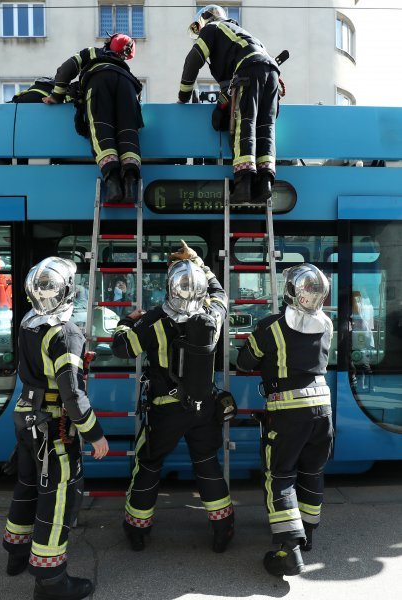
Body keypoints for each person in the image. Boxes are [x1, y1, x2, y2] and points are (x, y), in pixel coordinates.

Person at [112, 241, 235, 553]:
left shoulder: (153, 320)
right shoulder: (212, 316)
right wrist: (200, 264)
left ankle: (137, 530)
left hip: (165, 411)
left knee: (149, 464)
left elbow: (121, 348)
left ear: (169, 287)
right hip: (204, 408)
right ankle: (223, 530)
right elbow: (220, 293)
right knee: (207, 464)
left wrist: (126, 322)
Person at [3, 257, 109, 600]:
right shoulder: (66, 334)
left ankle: (16, 553)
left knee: (27, 485)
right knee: (57, 498)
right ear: (69, 292)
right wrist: (95, 435)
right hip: (53, 428)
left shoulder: (27, 323)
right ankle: (51, 582)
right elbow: (73, 395)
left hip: (25, 419)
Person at [236, 263, 334, 576]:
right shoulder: (327, 324)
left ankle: (287, 549)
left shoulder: (269, 327)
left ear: (291, 290)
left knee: (279, 475)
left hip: (288, 412)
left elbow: (243, 361)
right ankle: (307, 533)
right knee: (312, 470)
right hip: (324, 412)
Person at [178, 5, 280, 206]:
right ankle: (264, 184)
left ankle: (243, 185)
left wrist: (183, 95)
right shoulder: (243, 36)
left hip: (249, 71)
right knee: (265, 128)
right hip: (272, 74)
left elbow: (193, 60)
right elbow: (229, 87)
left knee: (245, 123)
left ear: (205, 19)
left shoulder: (213, 28)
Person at [43, 33, 144, 203]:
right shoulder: (125, 69)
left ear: (109, 43)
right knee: (128, 132)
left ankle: (113, 186)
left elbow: (66, 69)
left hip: (99, 81)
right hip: (129, 88)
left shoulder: (92, 53)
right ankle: (129, 185)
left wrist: (56, 96)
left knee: (101, 129)